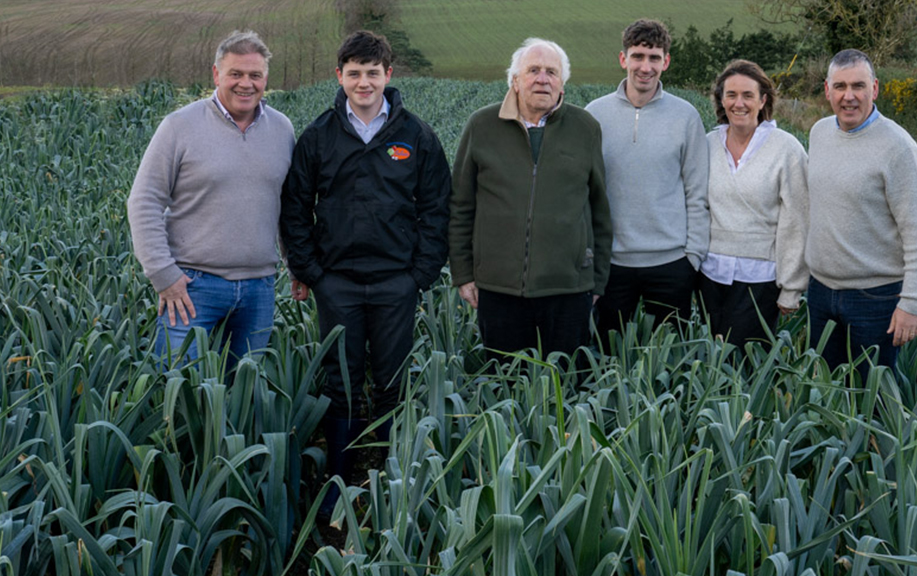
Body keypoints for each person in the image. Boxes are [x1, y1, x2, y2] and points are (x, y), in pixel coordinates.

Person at [279, 30, 451, 519]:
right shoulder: (319, 135)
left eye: (372, 72)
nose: (363, 81)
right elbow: (295, 208)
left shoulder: (415, 135)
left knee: (394, 381)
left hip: (397, 282)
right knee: (342, 383)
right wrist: (312, 271)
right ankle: (339, 481)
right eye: (353, 72)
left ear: (388, 76)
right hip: (338, 284)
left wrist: (419, 274)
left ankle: (394, 481)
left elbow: (438, 208)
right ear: (340, 76)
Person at [127, 29, 295, 367]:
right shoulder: (179, 126)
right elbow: (144, 201)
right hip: (191, 288)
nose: (245, 84)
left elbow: (288, 207)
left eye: (255, 75)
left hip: (259, 289)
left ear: (266, 79)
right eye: (235, 74)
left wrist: (295, 265)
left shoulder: (282, 129)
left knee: (242, 398)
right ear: (216, 73)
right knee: (178, 390)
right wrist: (164, 276)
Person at [449, 37, 612, 362]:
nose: (542, 79)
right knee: (505, 385)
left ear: (562, 82)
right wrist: (463, 273)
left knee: (564, 386)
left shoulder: (585, 128)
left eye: (552, 72)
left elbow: (599, 209)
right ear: (515, 80)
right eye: (533, 70)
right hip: (499, 289)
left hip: (568, 288)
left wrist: (597, 280)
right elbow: (461, 206)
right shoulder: (482, 125)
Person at [806, 48, 917, 379]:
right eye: (839, 87)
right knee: (828, 391)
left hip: (875, 299)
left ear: (875, 89)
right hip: (820, 292)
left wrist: (911, 303)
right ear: (827, 90)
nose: (848, 96)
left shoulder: (899, 148)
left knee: (874, 398)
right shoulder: (819, 133)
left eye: (858, 86)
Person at [585, 19, 708, 345]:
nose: (645, 66)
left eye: (654, 58)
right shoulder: (594, 115)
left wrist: (692, 258)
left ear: (666, 62)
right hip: (612, 265)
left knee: (670, 363)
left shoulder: (686, 116)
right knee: (607, 360)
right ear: (623, 59)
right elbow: (583, 192)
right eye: (638, 56)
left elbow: (697, 190)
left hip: (670, 264)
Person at [699, 60, 809, 350]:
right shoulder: (707, 144)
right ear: (721, 100)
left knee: (744, 368)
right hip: (709, 276)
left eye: (748, 95)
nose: (739, 103)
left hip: (760, 281)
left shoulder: (787, 149)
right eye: (731, 95)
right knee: (710, 362)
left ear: (763, 100)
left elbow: (798, 220)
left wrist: (792, 287)